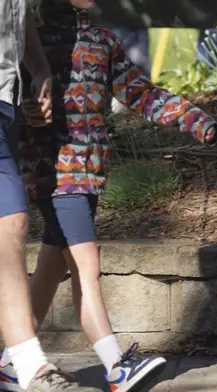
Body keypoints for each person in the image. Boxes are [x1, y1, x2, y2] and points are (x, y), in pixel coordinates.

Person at [0, 1, 217, 391]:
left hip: (91, 175)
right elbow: (16, 105)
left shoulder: (102, 42)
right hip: (57, 176)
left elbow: (140, 93)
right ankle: (116, 364)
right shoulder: (31, 47)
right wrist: (31, 111)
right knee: (87, 267)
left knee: (53, 266)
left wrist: (194, 119)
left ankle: (11, 361)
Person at [0, 0, 104, 390]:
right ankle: (30, 365)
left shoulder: (99, 40)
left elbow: (16, 18)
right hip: (53, 166)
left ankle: (20, 365)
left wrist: (39, 68)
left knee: (13, 225)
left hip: (5, 105)